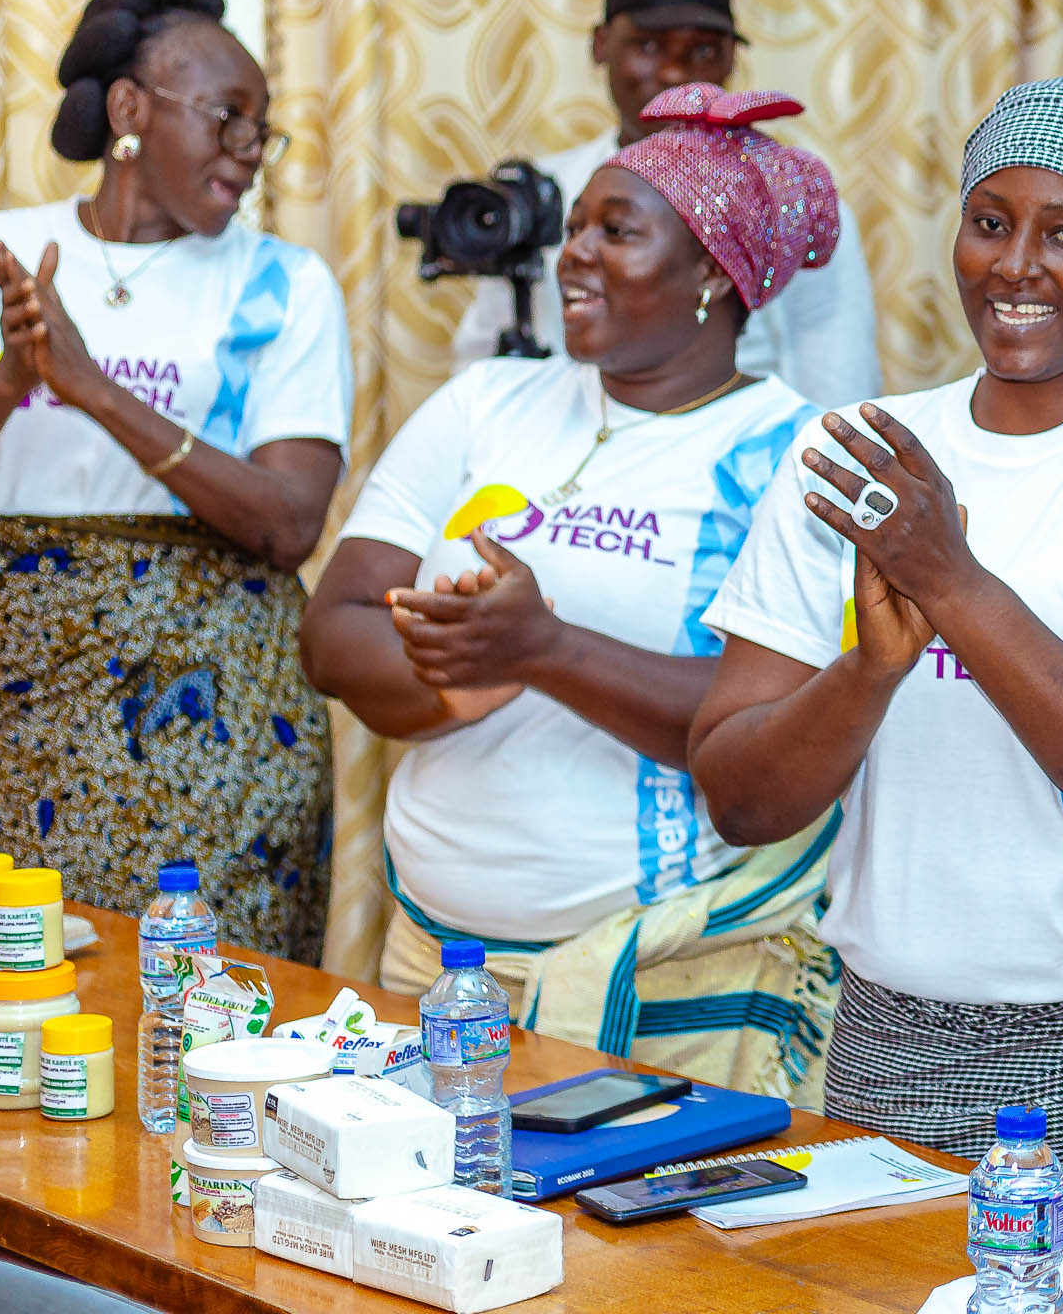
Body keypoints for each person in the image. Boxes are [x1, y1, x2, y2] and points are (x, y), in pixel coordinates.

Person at [688, 76, 1063, 1234]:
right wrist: (867, 671)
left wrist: (954, 582)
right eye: (990, 221)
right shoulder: (855, 454)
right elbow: (737, 794)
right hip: (892, 1052)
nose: (1015, 265)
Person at [303, 85, 836, 1096]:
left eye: (617, 230)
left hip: (669, 987)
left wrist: (544, 649)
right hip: (436, 966)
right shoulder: (485, 400)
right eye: (576, 226)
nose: (573, 253)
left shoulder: (793, 452)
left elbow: (774, 725)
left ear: (712, 278)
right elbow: (331, 631)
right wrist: (471, 679)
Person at [0, 0, 349, 960]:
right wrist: (13, 378)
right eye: (228, 117)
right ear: (130, 108)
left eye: (263, 127)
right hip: (25, 695)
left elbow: (290, 521)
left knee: (215, 999)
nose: (251, 150)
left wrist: (92, 387)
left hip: (225, 711)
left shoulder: (284, 283)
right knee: (27, 990)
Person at [451, 0, 882, 409]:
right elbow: (480, 369)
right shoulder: (537, 192)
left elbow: (838, 379)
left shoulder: (783, 197)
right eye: (649, 45)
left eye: (702, 50)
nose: (676, 71)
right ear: (601, 45)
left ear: (732, 60)